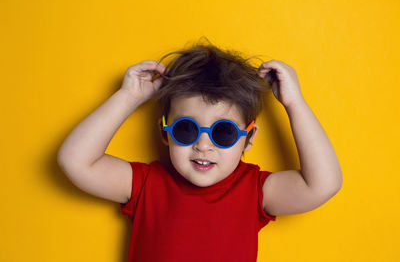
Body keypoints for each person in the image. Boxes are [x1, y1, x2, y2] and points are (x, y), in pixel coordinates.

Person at [57, 39, 343, 262]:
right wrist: (128, 97)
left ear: (249, 137)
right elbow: (76, 161)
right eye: (186, 129)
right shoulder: (147, 184)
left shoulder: (253, 190)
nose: (203, 145)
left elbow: (323, 184)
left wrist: (295, 104)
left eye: (224, 132)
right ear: (164, 133)